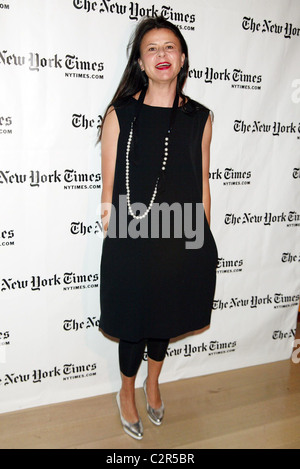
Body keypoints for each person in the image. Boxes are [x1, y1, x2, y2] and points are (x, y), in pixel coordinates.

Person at [99, 16, 218, 440]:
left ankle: (153, 382)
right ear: (140, 61)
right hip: (131, 238)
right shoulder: (122, 114)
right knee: (133, 319)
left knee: (165, 316)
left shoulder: (201, 118)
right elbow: (108, 188)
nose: (162, 54)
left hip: (182, 236)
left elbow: (201, 180)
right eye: (152, 48)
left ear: (182, 58)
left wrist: (201, 237)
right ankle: (127, 391)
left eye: (170, 47)